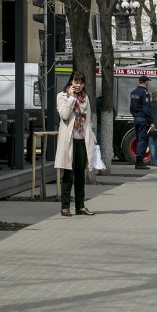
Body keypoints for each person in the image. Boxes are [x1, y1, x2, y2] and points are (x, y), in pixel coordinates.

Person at [55, 70, 97, 216]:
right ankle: (65, 207)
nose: (78, 85)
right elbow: (64, 116)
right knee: (68, 174)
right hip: (69, 141)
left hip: (82, 141)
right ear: (71, 82)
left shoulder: (85, 98)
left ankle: (80, 206)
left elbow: (88, 120)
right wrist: (72, 99)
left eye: (81, 82)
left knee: (80, 175)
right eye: (76, 82)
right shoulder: (62, 96)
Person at [130, 75, 154, 169]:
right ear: (145, 82)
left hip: (136, 118)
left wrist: (135, 115)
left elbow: (131, 108)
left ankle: (138, 161)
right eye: (148, 81)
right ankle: (139, 162)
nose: (148, 83)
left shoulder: (133, 92)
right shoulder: (145, 93)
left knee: (139, 139)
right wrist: (151, 121)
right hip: (143, 119)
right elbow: (147, 108)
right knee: (142, 140)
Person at [148, 91, 157, 167]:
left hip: (151, 128)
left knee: (152, 145)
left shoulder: (148, 106)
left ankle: (153, 162)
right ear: (156, 98)